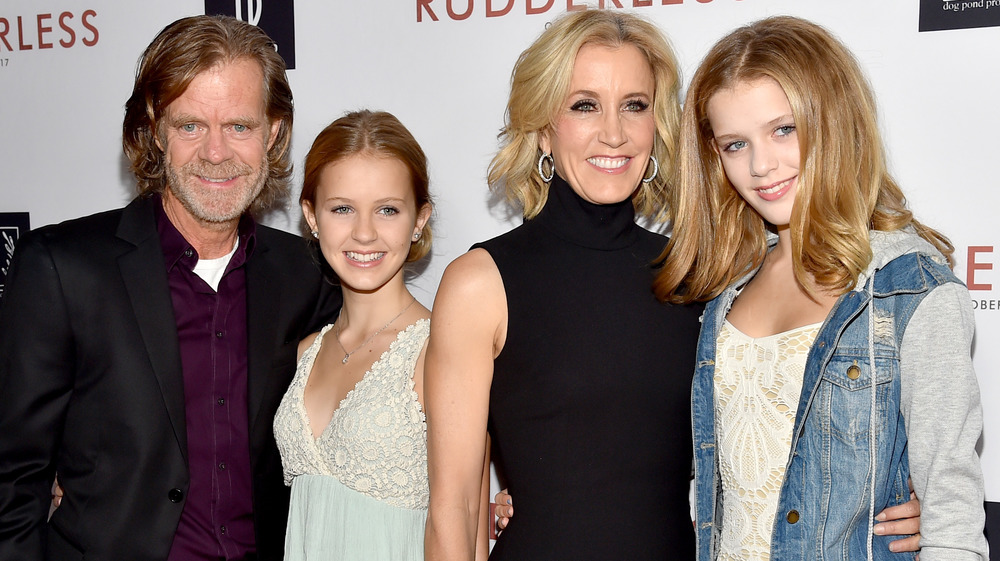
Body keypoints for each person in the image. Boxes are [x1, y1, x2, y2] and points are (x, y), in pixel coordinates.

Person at [0, 15, 339, 561]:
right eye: (190, 126)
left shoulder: (309, 276)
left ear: (273, 132)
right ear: (155, 129)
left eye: (239, 126)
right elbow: (12, 478)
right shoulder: (62, 271)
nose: (215, 152)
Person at [654, 16, 987, 560]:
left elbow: (951, 511)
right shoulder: (723, 290)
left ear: (832, 121)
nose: (762, 165)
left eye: (784, 129)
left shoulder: (910, 291)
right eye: (736, 144)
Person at [423, 10, 703, 560]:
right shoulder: (481, 284)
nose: (614, 133)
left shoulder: (693, 276)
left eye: (635, 106)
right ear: (544, 128)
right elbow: (452, 507)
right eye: (585, 105)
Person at [272, 110, 485, 561]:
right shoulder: (305, 352)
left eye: (387, 210)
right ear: (312, 217)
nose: (364, 233)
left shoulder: (441, 350)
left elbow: (466, 519)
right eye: (342, 208)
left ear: (420, 219)